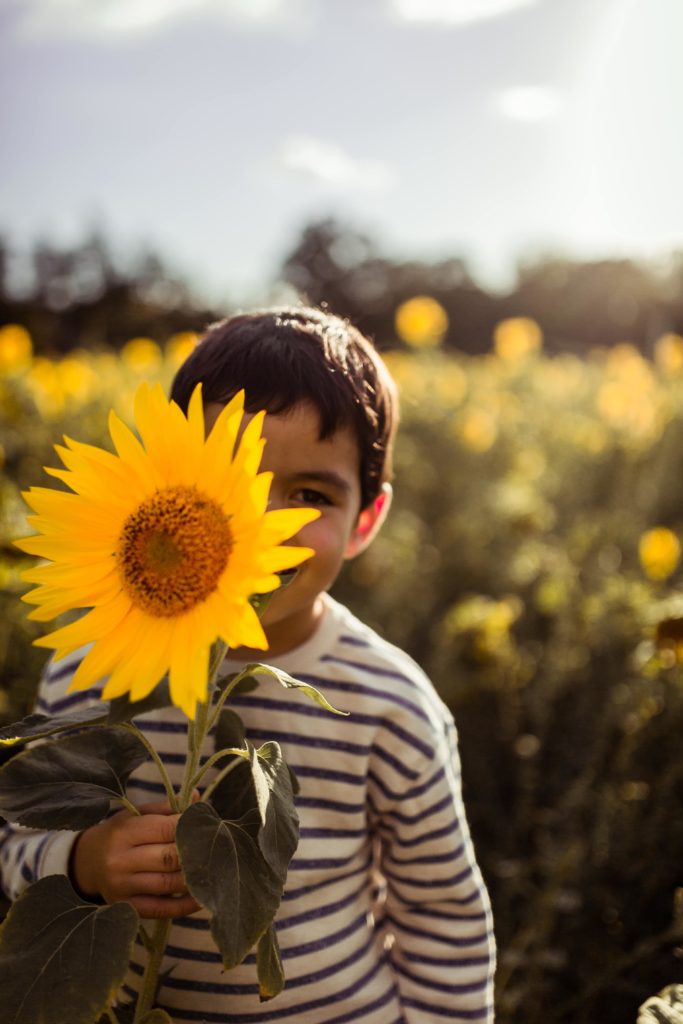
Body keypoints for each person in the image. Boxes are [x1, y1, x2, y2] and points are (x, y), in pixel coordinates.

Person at [0, 306, 496, 1022]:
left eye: (308, 496)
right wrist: (82, 864)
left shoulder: (387, 704)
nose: (258, 528)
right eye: (237, 480)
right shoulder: (92, 666)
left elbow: (441, 919)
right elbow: (19, 837)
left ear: (365, 520)